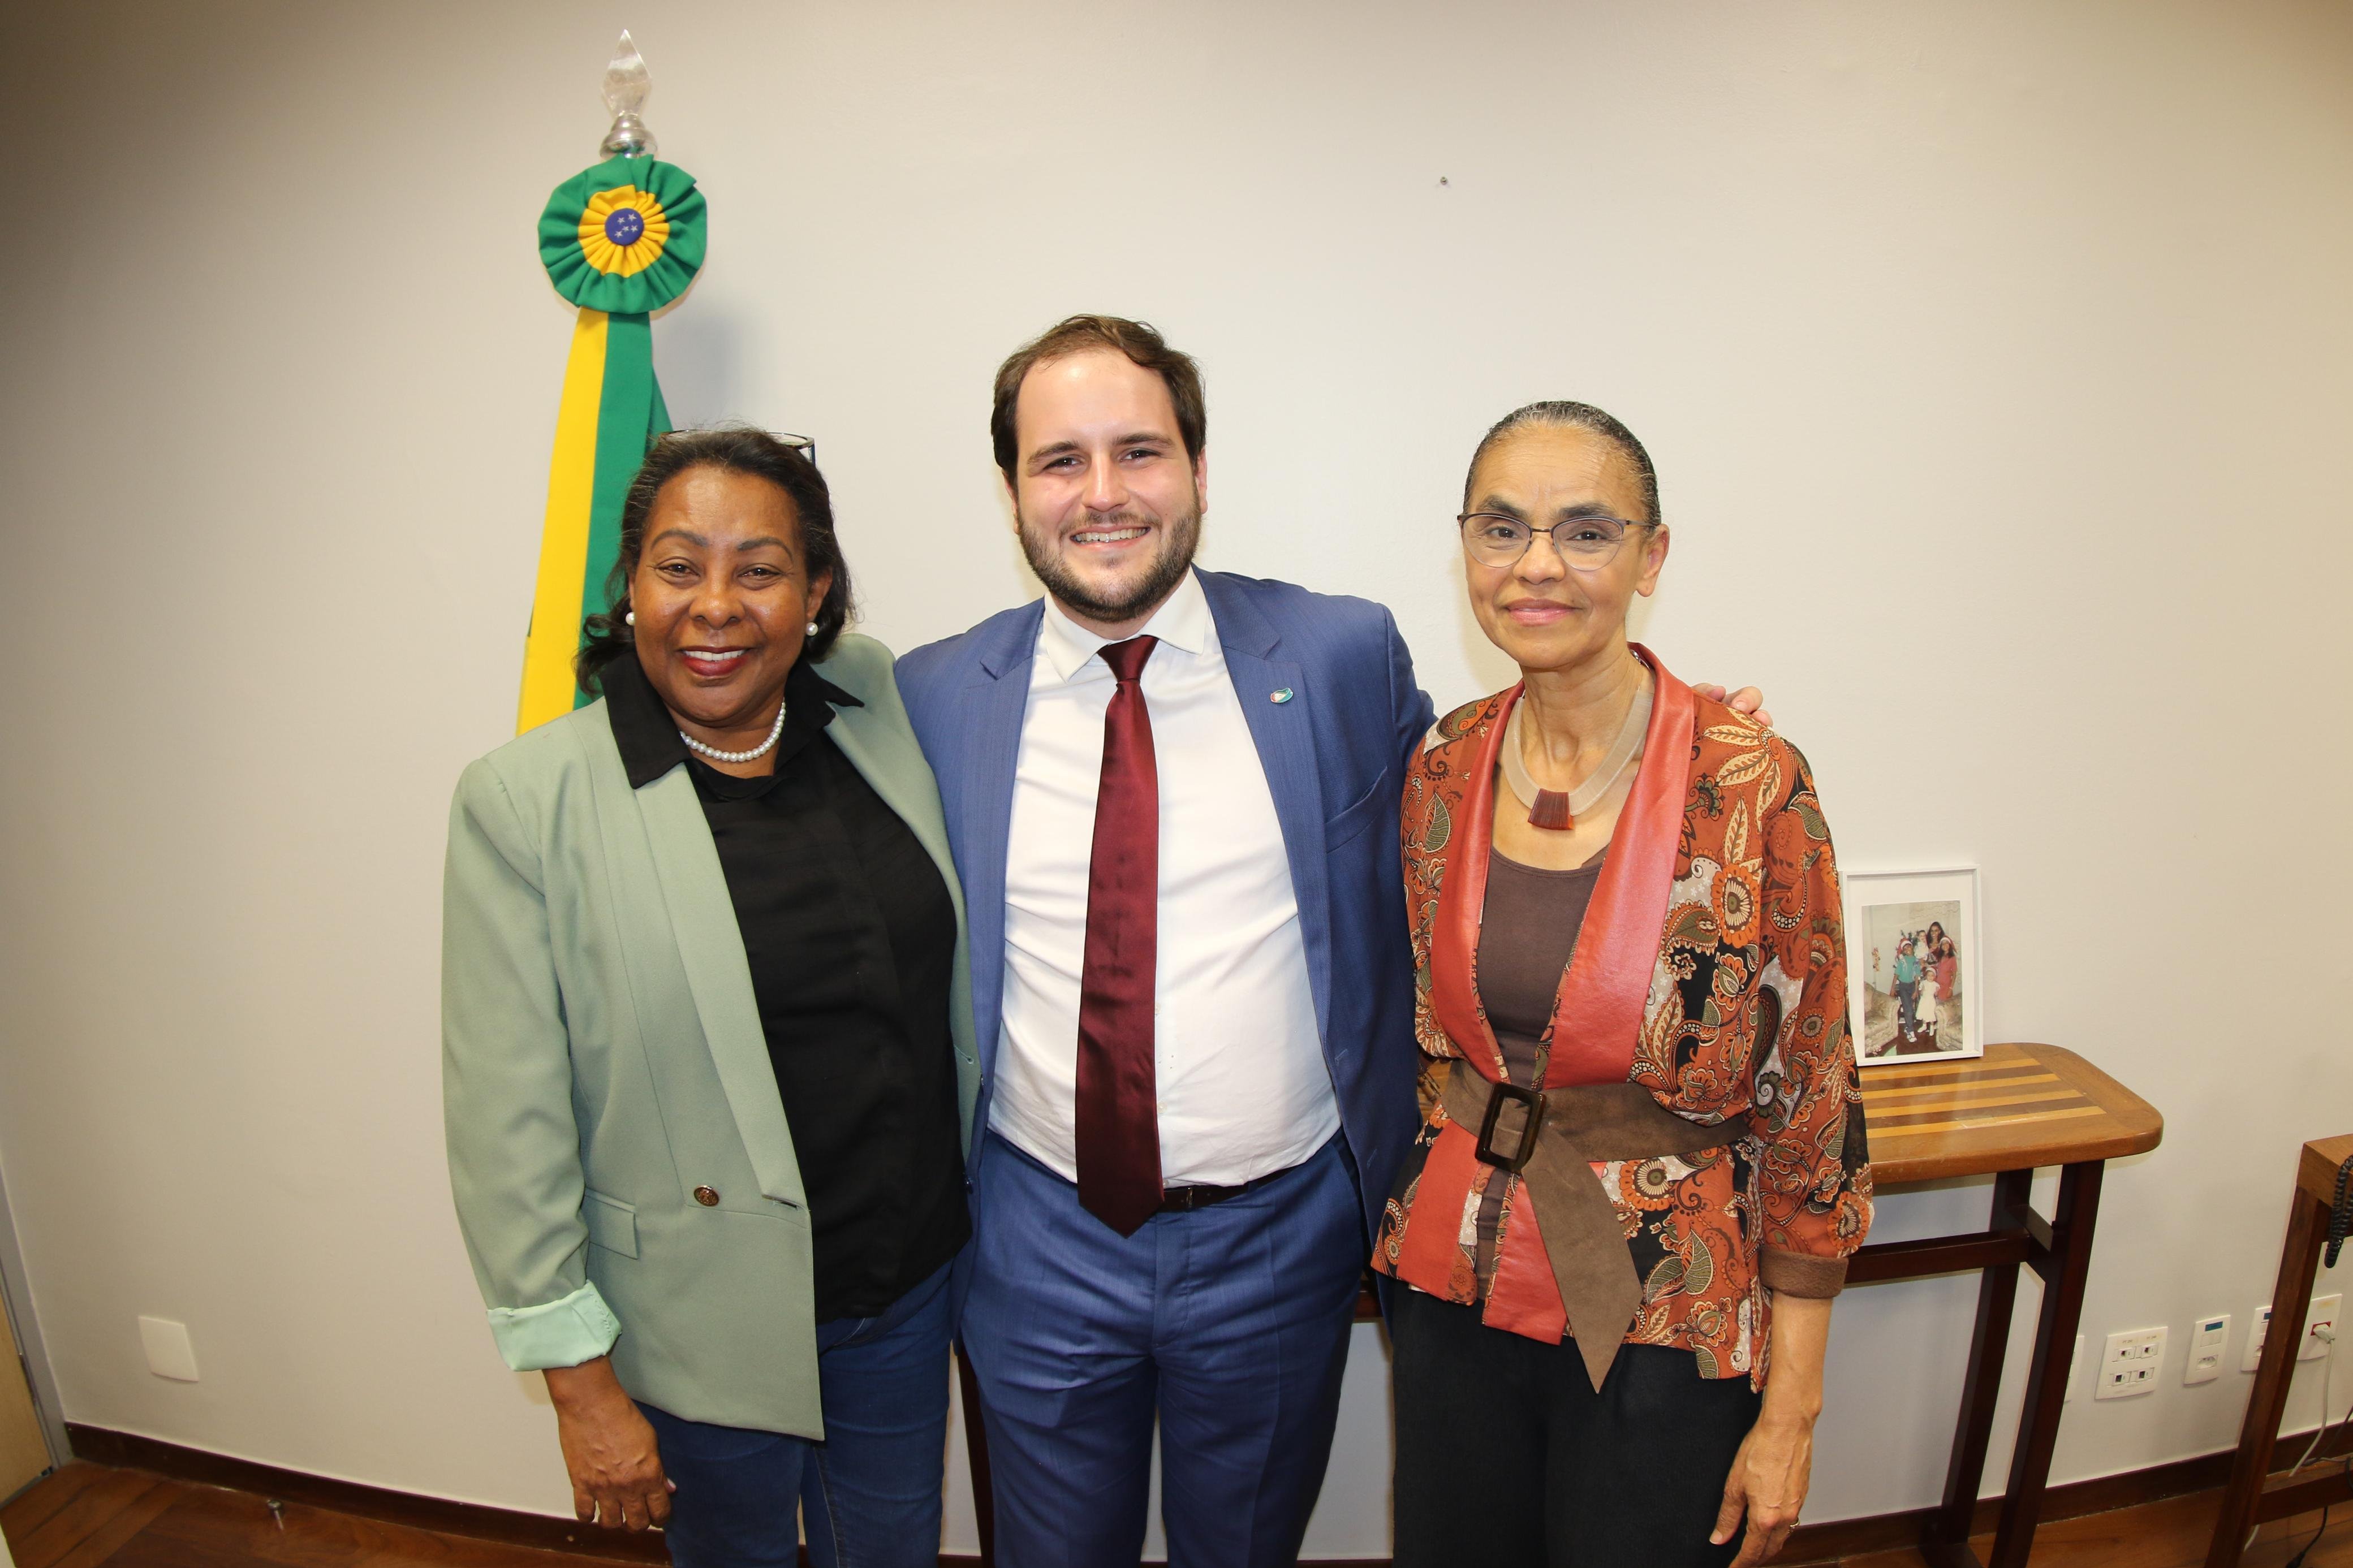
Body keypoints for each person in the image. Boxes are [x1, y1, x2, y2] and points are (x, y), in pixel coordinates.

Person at [894, 318, 1774, 1567]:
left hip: (1273, 1235)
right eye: (1059, 460)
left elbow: (1494, 784)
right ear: (1010, 489)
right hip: (1037, 1238)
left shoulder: (1337, 655)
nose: (1102, 494)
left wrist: (1676, 735)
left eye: (1139, 451)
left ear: (1199, 471)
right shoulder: (932, 695)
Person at [442, 428, 980, 1568]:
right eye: (679, 566)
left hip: (902, 1288)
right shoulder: (525, 802)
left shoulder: (874, 707)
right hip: (694, 1323)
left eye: (761, 568)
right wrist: (582, 1388)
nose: (715, 605)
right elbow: (506, 1123)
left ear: (817, 591)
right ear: (628, 584)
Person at [1372, 401, 1873, 1568]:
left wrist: (1791, 1412)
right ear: (1466, 552)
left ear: (1650, 556)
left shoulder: (1747, 781)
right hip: (1454, 1273)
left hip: (1660, 1300)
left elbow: (1813, 1099)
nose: (1536, 563)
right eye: (1502, 529)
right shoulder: (1442, 764)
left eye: (1585, 531)